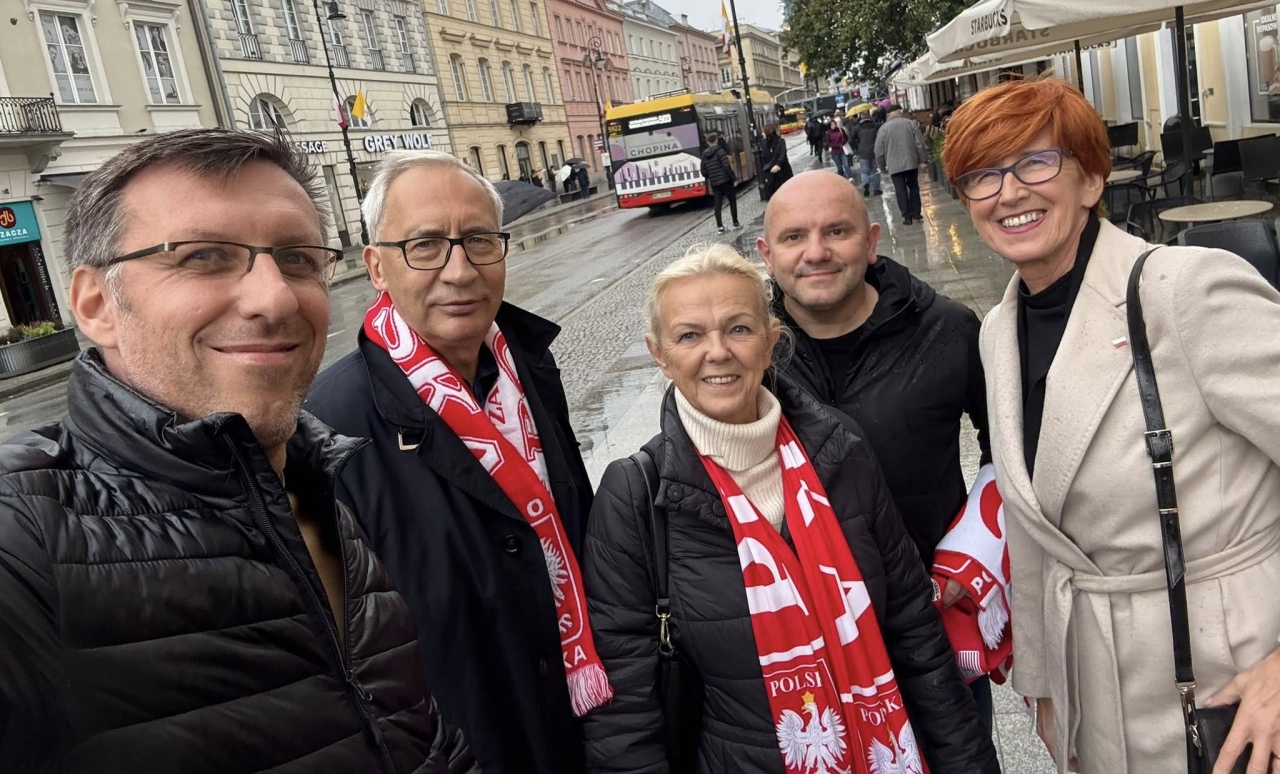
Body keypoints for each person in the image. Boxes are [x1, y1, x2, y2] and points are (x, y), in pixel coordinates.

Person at [0, 129, 474, 772]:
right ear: (95, 304)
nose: (275, 297)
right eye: (202, 257)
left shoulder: (315, 483)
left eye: (299, 258)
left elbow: (415, 730)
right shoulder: (23, 536)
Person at [944, 77, 1280, 774]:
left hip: (1231, 689)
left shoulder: (1184, 290)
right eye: (982, 176)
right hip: (1093, 697)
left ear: (1092, 179)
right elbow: (1035, 537)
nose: (1009, 192)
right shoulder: (1000, 330)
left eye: (1036, 164)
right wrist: (1042, 686)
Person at [579, 243, 999, 773]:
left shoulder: (840, 450)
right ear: (659, 353)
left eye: (738, 328)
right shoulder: (635, 494)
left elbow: (914, 628)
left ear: (771, 341)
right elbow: (625, 712)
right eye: (689, 335)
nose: (717, 352)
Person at [306, 150, 600, 774]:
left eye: (478, 240)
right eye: (426, 245)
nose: (460, 270)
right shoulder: (330, 428)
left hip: (576, 726)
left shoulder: (529, 370)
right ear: (376, 267)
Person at [757, 168, 997, 723]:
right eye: (795, 238)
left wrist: (975, 554)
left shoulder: (946, 329)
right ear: (767, 255)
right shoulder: (748, 352)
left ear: (870, 243)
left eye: (836, 232)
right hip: (805, 645)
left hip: (928, 631)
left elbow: (1011, 449)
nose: (816, 253)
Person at [875, 104, 929, 225]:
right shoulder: (910, 124)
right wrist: (923, 160)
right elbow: (919, 143)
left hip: (893, 166)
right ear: (898, 112)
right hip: (911, 162)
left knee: (900, 190)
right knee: (914, 187)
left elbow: (879, 151)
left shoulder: (883, 129)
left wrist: (882, 166)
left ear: (889, 114)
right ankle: (916, 213)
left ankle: (906, 216)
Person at [701, 130, 740, 234]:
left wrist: (711, 177)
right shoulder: (720, 151)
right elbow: (726, 166)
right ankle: (735, 223)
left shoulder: (704, 154)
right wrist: (733, 178)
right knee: (732, 201)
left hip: (715, 183)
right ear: (716, 140)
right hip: (726, 181)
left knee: (717, 205)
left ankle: (720, 227)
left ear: (708, 142)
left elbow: (703, 171)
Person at [852, 112, 882, 197]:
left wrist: (856, 148)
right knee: (875, 170)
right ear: (869, 116)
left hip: (862, 152)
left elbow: (851, 140)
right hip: (875, 151)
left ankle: (866, 185)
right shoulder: (876, 126)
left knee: (864, 171)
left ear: (861, 117)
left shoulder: (857, 128)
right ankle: (876, 189)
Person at [761, 123, 793, 200]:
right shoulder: (764, 143)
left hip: (783, 171)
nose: (762, 133)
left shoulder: (780, 141)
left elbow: (782, 154)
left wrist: (778, 165)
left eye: (763, 132)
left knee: (787, 191)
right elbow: (765, 158)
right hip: (772, 173)